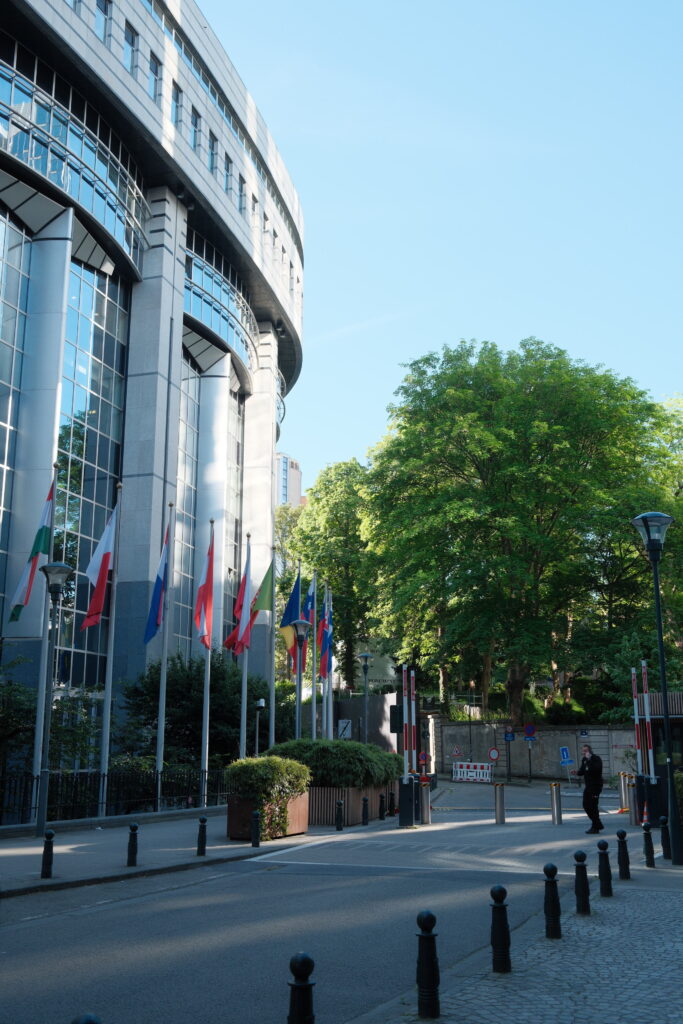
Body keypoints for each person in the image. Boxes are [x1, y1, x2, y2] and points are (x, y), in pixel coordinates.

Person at [574, 744, 604, 833]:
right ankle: (597, 824)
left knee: (593, 806)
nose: (584, 753)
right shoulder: (584, 760)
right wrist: (576, 772)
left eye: (586, 751)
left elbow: (596, 769)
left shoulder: (596, 759)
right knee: (586, 805)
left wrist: (589, 760)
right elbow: (582, 771)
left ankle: (595, 827)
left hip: (596, 786)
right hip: (588, 786)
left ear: (590, 751)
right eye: (583, 751)